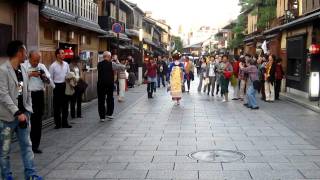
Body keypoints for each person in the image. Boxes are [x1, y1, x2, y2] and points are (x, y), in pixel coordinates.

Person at [0, 40, 43, 180]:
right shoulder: (3, 70)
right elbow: (3, 95)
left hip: (24, 116)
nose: (26, 54)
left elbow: (24, 89)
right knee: (5, 150)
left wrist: (27, 109)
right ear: (19, 52)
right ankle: (7, 176)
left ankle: (31, 175)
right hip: (7, 118)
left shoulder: (23, 69)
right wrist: (17, 112)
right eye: (25, 51)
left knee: (27, 147)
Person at [24, 50, 54, 154]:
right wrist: (31, 74)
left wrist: (44, 77)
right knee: (26, 120)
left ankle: (35, 145)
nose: (36, 62)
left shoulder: (41, 66)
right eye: (34, 60)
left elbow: (49, 81)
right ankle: (26, 144)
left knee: (37, 121)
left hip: (39, 95)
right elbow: (19, 82)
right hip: (27, 95)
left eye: (38, 60)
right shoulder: (23, 66)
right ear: (29, 58)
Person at [97, 51, 126, 122]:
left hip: (100, 84)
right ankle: (109, 114)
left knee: (101, 100)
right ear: (109, 56)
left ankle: (102, 117)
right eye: (110, 56)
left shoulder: (99, 64)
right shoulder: (112, 64)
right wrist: (117, 61)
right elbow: (123, 67)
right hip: (109, 84)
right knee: (110, 98)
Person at [49, 48, 72, 129]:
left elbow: (69, 74)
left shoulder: (66, 64)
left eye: (64, 53)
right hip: (57, 86)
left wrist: (70, 80)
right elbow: (50, 78)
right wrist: (54, 86)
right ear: (57, 55)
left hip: (65, 86)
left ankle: (65, 122)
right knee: (57, 106)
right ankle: (57, 124)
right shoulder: (53, 66)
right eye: (62, 53)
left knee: (65, 105)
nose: (64, 54)